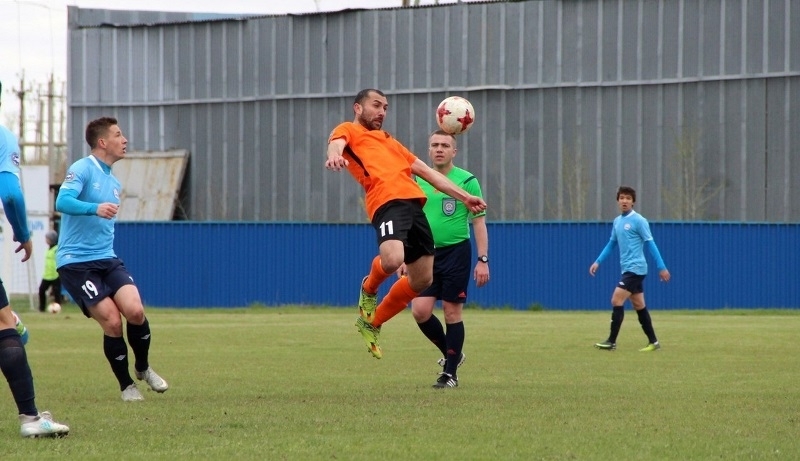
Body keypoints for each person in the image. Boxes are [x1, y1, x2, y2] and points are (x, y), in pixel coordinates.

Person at [325, 89, 487, 360]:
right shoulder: (348, 130)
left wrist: (465, 197)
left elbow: (428, 174)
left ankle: (372, 322)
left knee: (423, 279)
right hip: (387, 202)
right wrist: (334, 155)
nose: (382, 112)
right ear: (358, 108)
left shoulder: (390, 141)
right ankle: (369, 288)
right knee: (392, 260)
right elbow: (336, 143)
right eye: (376, 105)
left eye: (385, 107)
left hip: (415, 206)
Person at [56, 116, 168, 401]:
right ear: (103, 142)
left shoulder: (114, 181)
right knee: (113, 322)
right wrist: (94, 208)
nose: (125, 139)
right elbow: (62, 202)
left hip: (106, 258)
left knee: (135, 311)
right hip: (76, 262)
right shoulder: (82, 168)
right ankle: (127, 386)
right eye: (118, 135)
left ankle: (143, 367)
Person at [0, 80, 70, 437]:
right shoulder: (3, 137)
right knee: (5, 326)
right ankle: (30, 418)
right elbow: (11, 194)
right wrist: (23, 233)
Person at [406, 130, 489, 389]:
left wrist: (483, 259)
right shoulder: (417, 180)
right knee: (420, 311)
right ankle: (452, 354)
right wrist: (405, 257)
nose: (439, 149)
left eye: (444, 145)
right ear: (428, 150)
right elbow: (409, 222)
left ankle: (450, 374)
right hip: (425, 253)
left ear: (454, 151)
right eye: (434, 145)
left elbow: (479, 222)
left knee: (452, 312)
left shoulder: (467, 181)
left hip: (456, 253)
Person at [589, 185, 670, 352]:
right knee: (639, 305)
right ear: (618, 201)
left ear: (633, 202)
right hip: (627, 269)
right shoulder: (617, 222)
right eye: (622, 198)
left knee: (616, 300)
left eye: (628, 198)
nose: (624, 201)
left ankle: (611, 341)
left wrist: (661, 266)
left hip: (636, 269)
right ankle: (654, 342)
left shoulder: (639, 221)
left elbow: (651, 244)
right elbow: (611, 244)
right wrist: (598, 261)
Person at [38, 230, 64, 312]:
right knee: (41, 290)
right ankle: (41, 308)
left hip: (55, 274)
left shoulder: (56, 249)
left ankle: (57, 308)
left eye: (47, 238)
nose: (46, 240)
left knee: (56, 293)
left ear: (51, 239)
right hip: (47, 275)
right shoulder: (49, 249)